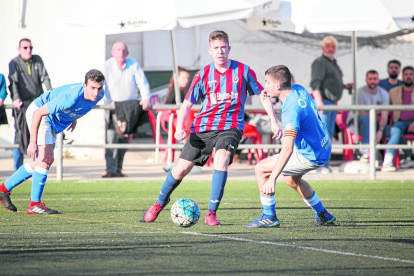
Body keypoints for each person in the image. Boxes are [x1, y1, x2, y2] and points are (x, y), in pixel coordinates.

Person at [143, 30, 282, 226]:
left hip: (231, 127)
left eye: (223, 47)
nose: (220, 51)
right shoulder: (202, 75)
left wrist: (274, 121)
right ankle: (159, 203)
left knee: (222, 157)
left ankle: (211, 213)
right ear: (210, 50)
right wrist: (179, 126)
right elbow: (187, 104)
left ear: (229, 49)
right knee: (181, 169)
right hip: (203, 127)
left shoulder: (243, 71)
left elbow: (263, 95)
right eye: (216, 48)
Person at [0, 70, 105, 214]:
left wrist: (73, 118)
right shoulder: (71, 97)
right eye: (92, 88)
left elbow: (80, 105)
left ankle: (3, 190)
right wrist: (33, 142)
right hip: (40, 113)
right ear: (84, 86)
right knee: (46, 158)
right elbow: (38, 113)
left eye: (99, 88)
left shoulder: (99, 95)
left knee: (39, 162)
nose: (96, 92)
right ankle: (34, 204)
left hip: (52, 119)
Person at [247, 65, 336, 228]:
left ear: (278, 86)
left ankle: (269, 216)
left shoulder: (291, 110)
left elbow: (287, 149)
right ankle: (323, 214)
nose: (264, 86)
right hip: (323, 145)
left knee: (261, 169)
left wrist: (272, 178)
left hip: (311, 154)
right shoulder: (298, 89)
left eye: (267, 83)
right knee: (291, 179)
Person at [102, 41, 150, 178]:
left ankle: (118, 169)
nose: (121, 52)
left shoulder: (133, 64)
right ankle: (110, 169)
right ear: (113, 52)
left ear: (127, 53)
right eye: (118, 50)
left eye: (123, 50)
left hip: (129, 109)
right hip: (111, 108)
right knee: (111, 138)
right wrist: (108, 102)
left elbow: (142, 82)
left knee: (124, 138)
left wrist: (145, 98)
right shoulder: (107, 65)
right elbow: (101, 84)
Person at [310, 36, 353, 172]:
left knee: (327, 135)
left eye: (333, 46)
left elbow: (331, 83)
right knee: (322, 135)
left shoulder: (333, 62)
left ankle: (324, 163)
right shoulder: (320, 62)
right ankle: (319, 164)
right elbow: (315, 84)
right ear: (323, 48)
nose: (330, 49)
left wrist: (344, 86)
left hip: (333, 103)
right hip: (325, 103)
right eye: (328, 46)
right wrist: (320, 103)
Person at [8, 38, 52, 170]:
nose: (28, 50)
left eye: (30, 48)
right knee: (20, 135)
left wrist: (50, 96)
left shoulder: (38, 59)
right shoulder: (14, 63)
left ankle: (39, 164)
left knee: (42, 132)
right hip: (22, 104)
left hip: (37, 103)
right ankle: (18, 168)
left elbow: (45, 78)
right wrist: (16, 98)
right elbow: (13, 82)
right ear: (19, 49)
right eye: (25, 48)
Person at [347, 70, 390, 161]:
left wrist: (380, 131)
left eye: (375, 79)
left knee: (394, 130)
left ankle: (389, 159)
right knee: (366, 119)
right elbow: (359, 112)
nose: (372, 81)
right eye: (370, 79)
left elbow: (384, 115)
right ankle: (365, 151)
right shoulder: (359, 92)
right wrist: (376, 112)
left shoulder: (384, 93)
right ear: (366, 80)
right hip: (355, 123)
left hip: (375, 123)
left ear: (378, 80)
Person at [382, 66, 414, 172]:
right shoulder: (393, 91)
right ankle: (388, 161)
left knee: (396, 130)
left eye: (411, 74)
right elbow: (386, 110)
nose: (408, 77)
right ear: (402, 76)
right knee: (396, 130)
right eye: (406, 74)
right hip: (399, 122)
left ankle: (409, 158)